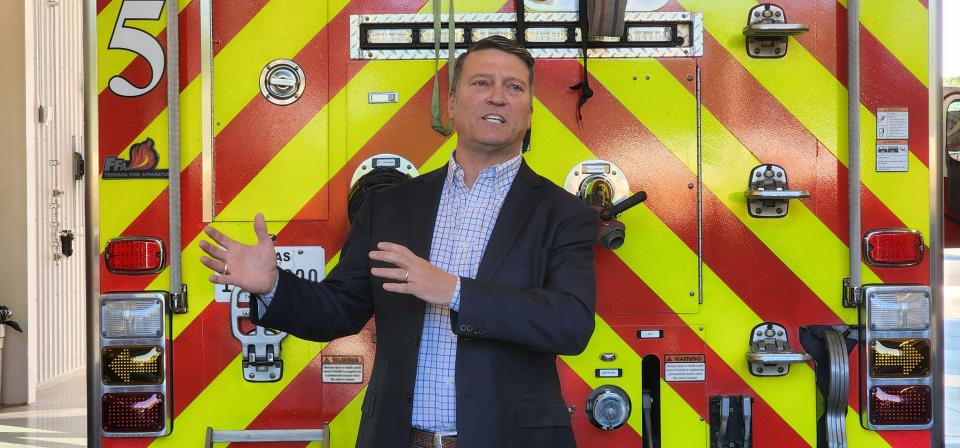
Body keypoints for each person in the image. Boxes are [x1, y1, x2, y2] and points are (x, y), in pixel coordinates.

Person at [199, 36, 597, 448]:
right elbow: (339, 311)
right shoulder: (388, 207)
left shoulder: (564, 215)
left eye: (514, 87)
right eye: (481, 83)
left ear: (530, 112)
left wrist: (455, 291)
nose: (497, 97)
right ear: (454, 102)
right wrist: (274, 285)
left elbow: (571, 325)